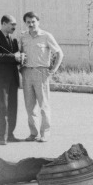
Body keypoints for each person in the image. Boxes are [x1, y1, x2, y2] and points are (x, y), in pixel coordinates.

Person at [18, 11, 63, 143]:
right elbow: (19, 53)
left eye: (33, 21)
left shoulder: (46, 36)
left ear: (38, 22)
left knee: (43, 105)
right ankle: (34, 133)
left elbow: (60, 54)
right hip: (26, 72)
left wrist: (53, 70)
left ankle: (45, 133)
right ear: (25, 23)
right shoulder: (23, 37)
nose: (31, 24)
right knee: (29, 105)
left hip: (41, 73)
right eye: (28, 22)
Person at [0, 14, 22, 145]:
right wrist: (14, 56)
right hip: (1, 79)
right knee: (3, 106)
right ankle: (2, 136)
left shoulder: (13, 40)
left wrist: (20, 58)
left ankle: (11, 134)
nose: (15, 27)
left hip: (13, 78)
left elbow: (16, 57)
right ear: (4, 23)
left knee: (13, 107)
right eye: (12, 24)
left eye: (15, 24)